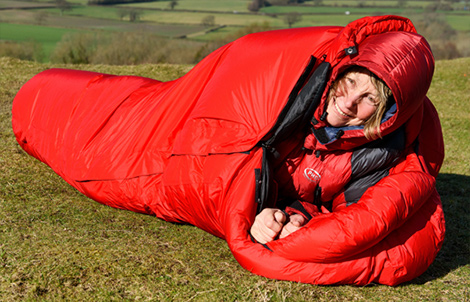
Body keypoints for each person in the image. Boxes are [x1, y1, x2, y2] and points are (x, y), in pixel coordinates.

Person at [250, 66, 394, 244]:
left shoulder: (374, 154)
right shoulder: (283, 108)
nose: (349, 102)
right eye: (351, 81)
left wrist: (300, 217)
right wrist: (255, 211)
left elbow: (352, 221)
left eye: (370, 98)